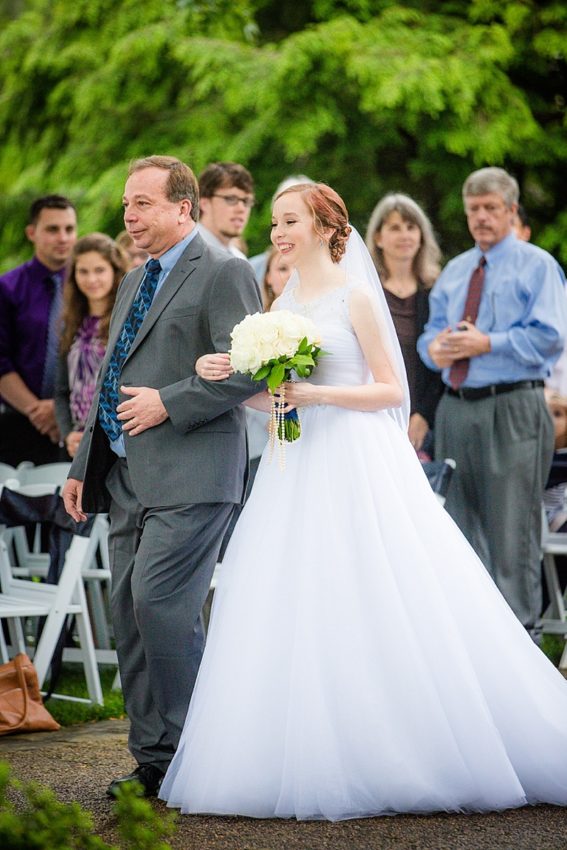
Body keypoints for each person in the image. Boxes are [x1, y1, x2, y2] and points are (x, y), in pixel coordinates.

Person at [159, 182, 567, 821]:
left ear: (324, 226)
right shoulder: (285, 301)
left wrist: (319, 398)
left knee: (377, 587)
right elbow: (279, 399)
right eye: (274, 223)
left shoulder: (356, 297)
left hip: (358, 461)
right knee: (298, 596)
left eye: (289, 221)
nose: (278, 234)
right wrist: (233, 386)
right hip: (297, 467)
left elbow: (390, 391)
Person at [62, 155, 263, 799]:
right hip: (124, 477)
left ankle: (197, 756)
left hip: (195, 472)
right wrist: (82, 466)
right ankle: (154, 761)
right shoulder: (132, 279)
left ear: (185, 208)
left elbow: (248, 368)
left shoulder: (226, 273)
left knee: (161, 607)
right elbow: (109, 377)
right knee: (130, 612)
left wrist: (168, 402)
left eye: (142, 204)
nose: (129, 215)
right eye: (126, 205)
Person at [418, 166, 566, 636]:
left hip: (514, 407)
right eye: (473, 210)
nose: (480, 218)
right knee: (459, 524)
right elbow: (429, 335)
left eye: (490, 209)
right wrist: (434, 349)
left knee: (512, 527)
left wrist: (490, 344)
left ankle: (519, 634)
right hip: (457, 406)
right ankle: (473, 636)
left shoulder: (537, 265)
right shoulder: (457, 270)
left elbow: (550, 337)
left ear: (511, 211)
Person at [0, 194, 77, 466]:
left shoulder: (89, 285)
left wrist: (62, 411)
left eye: (69, 229)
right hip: (18, 422)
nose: (63, 237)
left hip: (76, 424)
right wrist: (40, 412)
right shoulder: (8, 288)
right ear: (32, 233)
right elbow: (1, 361)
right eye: (52, 229)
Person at [365, 193, 443, 455]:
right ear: (378, 237)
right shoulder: (364, 292)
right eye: (395, 227)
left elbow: (441, 364)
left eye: (411, 227)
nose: (405, 235)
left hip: (423, 421)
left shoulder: (437, 292)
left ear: (422, 236)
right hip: (374, 415)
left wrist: (422, 414)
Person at [54, 233, 129, 458]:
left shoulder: (129, 319)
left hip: (119, 441)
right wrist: (68, 434)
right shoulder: (71, 323)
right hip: (79, 443)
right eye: (83, 271)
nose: (91, 279)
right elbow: (60, 391)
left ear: (114, 271)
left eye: (99, 270)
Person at [197, 162, 255, 259]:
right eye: (231, 199)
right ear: (204, 203)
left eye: (246, 201)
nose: (241, 209)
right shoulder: (182, 250)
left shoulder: (240, 258)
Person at [261, 245, 292, 311]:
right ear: (268, 277)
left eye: (298, 269)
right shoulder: (256, 319)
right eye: (283, 269)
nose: (291, 275)